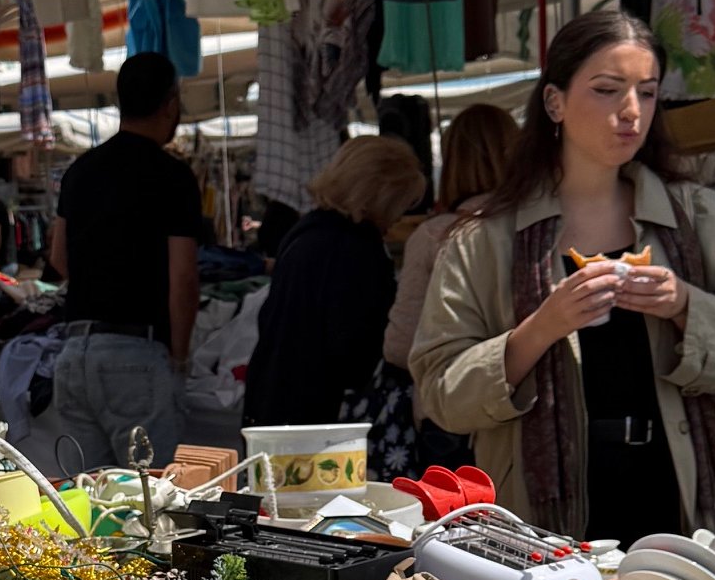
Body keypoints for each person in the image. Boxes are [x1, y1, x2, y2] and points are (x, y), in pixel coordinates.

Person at [410, 7, 715, 542]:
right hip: (540, 523)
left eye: (648, 92)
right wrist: (542, 327)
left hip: (678, 502)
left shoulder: (700, 219)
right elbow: (441, 395)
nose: (631, 110)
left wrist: (685, 305)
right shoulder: (485, 239)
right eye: (607, 90)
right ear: (555, 102)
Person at [48, 51, 203, 467]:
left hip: (75, 353)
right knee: (154, 494)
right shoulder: (173, 176)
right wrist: (180, 357)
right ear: (170, 103)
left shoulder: (79, 171)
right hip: (135, 355)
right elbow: (183, 279)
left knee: (86, 496)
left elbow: (59, 258)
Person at [375, 103, 522, 473]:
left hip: (451, 417)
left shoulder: (434, 236)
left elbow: (400, 345)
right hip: (525, 408)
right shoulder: (543, 229)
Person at [242, 135, 424, 430]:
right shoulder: (355, 248)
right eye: (399, 203)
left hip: (274, 403)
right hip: (320, 417)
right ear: (380, 195)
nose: (399, 216)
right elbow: (354, 351)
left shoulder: (307, 231)